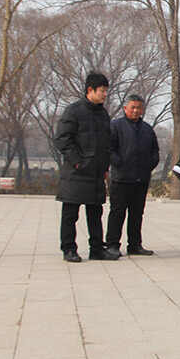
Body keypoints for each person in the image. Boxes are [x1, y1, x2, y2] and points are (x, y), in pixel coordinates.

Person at [55, 72, 119, 262]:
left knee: (95, 213)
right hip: (76, 173)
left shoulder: (103, 114)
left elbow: (106, 143)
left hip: (96, 173)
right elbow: (62, 139)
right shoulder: (73, 111)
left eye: (106, 91)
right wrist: (77, 161)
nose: (105, 95)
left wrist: (105, 166)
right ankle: (69, 249)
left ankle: (97, 249)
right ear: (90, 90)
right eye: (102, 91)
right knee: (70, 214)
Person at [106, 94, 160, 257]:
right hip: (121, 178)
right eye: (133, 107)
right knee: (117, 213)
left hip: (141, 178)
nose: (136, 111)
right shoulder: (115, 126)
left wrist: (148, 166)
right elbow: (109, 149)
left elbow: (155, 151)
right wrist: (119, 163)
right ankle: (112, 245)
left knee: (137, 214)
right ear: (125, 108)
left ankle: (135, 245)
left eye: (139, 108)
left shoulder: (147, 129)